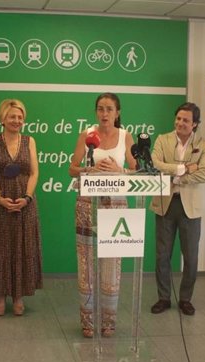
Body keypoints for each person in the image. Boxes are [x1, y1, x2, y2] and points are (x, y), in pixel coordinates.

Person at [68, 92, 137, 338]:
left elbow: (136, 169)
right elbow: (72, 169)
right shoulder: (87, 135)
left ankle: (109, 322)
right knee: (86, 264)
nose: (104, 113)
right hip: (88, 206)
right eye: (100, 109)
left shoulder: (126, 136)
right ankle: (87, 321)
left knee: (111, 265)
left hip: (116, 206)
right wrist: (90, 168)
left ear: (117, 112)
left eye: (109, 109)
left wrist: (120, 170)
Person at [0, 99, 43, 316]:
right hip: (0, 204)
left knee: (22, 248)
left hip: (25, 204)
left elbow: (34, 173)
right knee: (1, 249)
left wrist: (27, 197)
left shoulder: (30, 141)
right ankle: (0, 295)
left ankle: (18, 296)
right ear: (3, 118)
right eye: (12, 116)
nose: (16, 120)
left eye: (20, 117)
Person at [149, 102, 205, 316]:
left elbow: (204, 174)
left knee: (191, 257)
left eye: (185, 120)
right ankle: (163, 298)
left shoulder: (203, 145)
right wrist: (183, 169)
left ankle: (185, 299)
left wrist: (176, 178)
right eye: (178, 119)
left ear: (195, 124)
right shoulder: (162, 139)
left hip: (190, 208)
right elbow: (154, 163)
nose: (180, 123)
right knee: (162, 255)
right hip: (165, 203)